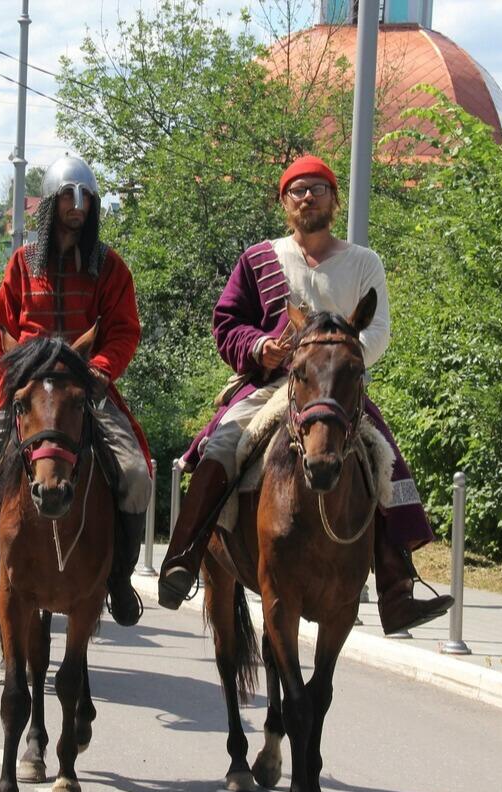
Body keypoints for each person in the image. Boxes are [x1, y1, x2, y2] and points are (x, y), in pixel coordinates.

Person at [157, 155, 453, 635]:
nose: (307, 197)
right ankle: (184, 556)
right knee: (222, 447)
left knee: (385, 462)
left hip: (337, 389)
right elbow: (227, 323)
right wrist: (260, 347)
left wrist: (343, 358)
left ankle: (396, 591)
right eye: (297, 190)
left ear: (334, 200)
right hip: (272, 384)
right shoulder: (260, 259)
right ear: (284, 202)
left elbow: (378, 330)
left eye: (317, 188)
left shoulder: (363, 262)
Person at [0, 154, 153, 631]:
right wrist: (0, 394)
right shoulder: (22, 264)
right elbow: (0, 331)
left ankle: (118, 579)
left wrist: (100, 369)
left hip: (85, 389)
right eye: (66, 196)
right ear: (50, 203)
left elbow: (123, 331)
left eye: (84, 197)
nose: (75, 206)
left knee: (136, 475)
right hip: (25, 386)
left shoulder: (109, 267)